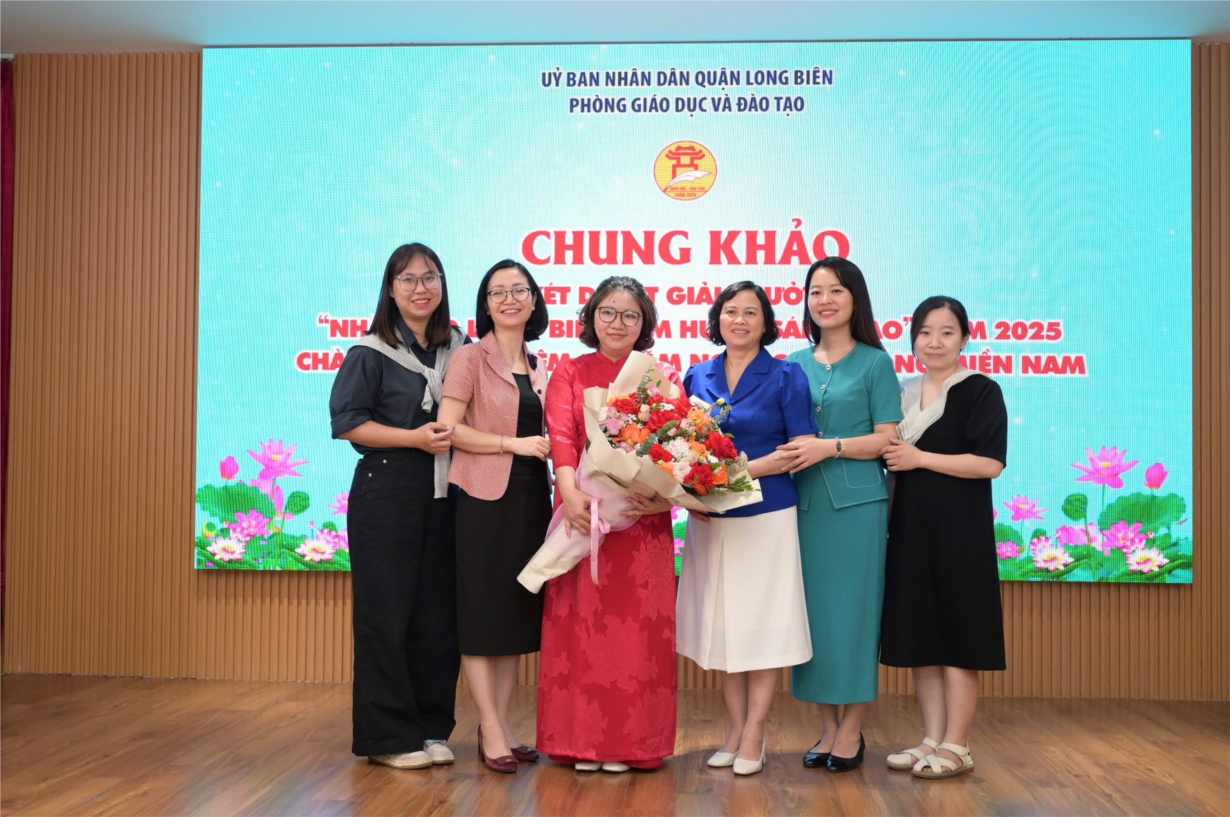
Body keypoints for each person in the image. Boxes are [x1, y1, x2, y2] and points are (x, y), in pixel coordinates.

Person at [329, 242, 467, 770]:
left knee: (438, 616)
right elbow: (349, 424)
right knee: (386, 615)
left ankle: (431, 728)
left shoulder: (460, 347)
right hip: (387, 491)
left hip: (447, 493)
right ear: (390, 289)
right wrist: (413, 438)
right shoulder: (369, 352)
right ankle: (388, 737)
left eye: (430, 277)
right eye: (407, 279)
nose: (420, 288)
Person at [538, 275, 679, 773]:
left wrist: (660, 496)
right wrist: (570, 492)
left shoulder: (661, 374)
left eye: (630, 315)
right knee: (582, 629)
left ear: (645, 323)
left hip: (641, 520)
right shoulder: (570, 371)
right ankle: (581, 742)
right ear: (591, 317)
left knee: (637, 637)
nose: (618, 323)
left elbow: (677, 444)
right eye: (608, 312)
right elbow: (562, 438)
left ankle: (632, 743)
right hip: (584, 514)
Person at [677, 282, 816, 777]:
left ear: (766, 323)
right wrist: (692, 490)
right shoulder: (696, 375)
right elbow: (678, 448)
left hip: (766, 515)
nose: (739, 320)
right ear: (717, 319)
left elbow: (799, 449)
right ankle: (734, 731)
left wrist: (732, 475)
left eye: (751, 312)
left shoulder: (786, 375)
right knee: (724, 627)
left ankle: (755, 731)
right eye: (731, 311)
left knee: (762, 626)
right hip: (711, 518)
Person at [776, 257, 902, 773]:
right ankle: (827, 727)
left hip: (858, 510)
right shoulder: (792, 363)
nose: (824, 300)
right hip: (802, 506)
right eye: (815, 291)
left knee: (854, 619)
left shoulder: (876, 363)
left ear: (855, 299)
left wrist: (831, 447)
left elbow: (888, 439)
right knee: (814, 621)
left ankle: (851, 730)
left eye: (835, 290)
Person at [880, 295, 1008, 780]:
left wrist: (921, 459)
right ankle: (931, 739)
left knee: (957, 639)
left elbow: (989, 464)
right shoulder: (901, 394)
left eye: (947, 332)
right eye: (925, 332)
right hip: (910, 532)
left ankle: (958, 745)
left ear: (965, 339)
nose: (935, 342)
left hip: (961, 535)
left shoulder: (980, 390)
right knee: (923, 638)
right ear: (913, 338)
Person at [438, 260, 552, 774]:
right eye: (497, 291)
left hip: (531, 503)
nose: (509, 299)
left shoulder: (540, 364)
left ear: (534, 300)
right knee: (483, 618)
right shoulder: (469, 356)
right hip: (483, 501)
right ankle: (487, 726)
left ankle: (502, 725)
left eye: (518, 290)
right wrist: (512, 443)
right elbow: (448, 429)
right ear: (485, 304)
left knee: (513, 620)